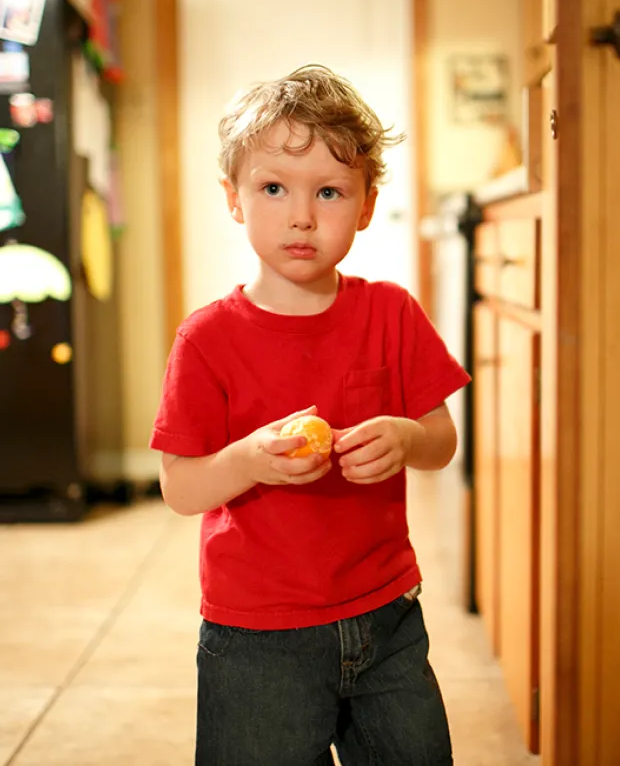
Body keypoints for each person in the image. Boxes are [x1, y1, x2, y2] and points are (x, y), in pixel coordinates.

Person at [150, 64, 470, 765]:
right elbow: (180, 487)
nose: (301, 215)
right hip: (256, 636)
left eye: (329, 191)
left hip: (386, 617)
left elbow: (442, 440)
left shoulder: (390, 312)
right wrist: (246, 459)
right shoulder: (207, 339)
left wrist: (407, 436)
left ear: (364, 204)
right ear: (234, 199)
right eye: (273, 188)